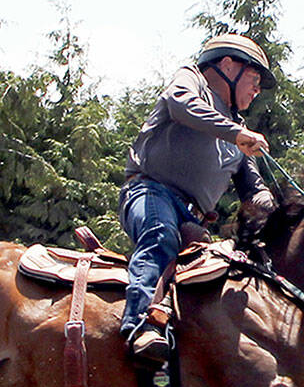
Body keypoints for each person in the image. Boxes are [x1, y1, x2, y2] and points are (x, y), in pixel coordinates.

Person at [119, 33, 278, 364]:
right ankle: (141, 326)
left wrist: (285, 214)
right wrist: (236, 135)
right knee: (160, 236)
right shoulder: (190, 80)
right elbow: (181, 104)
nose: (257, 89)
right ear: (227, 65)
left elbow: (254, 189)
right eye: (254, 78)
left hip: (194, 222)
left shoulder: (237, 126)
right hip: (149, 192)